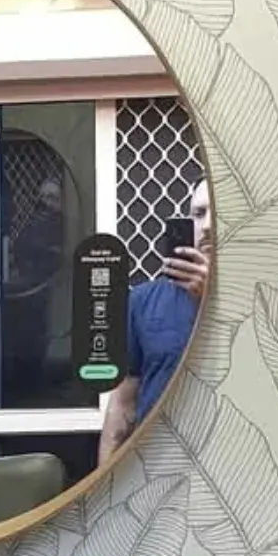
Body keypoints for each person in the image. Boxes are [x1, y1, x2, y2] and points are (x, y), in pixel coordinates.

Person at [99, 177, 213, 457]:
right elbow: (122, 406)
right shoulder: (143, 301)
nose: (208, 225)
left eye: (219, 213)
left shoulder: (265, 298)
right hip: (155, 468)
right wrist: (106, 492)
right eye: (198, 214)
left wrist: (212, 296)